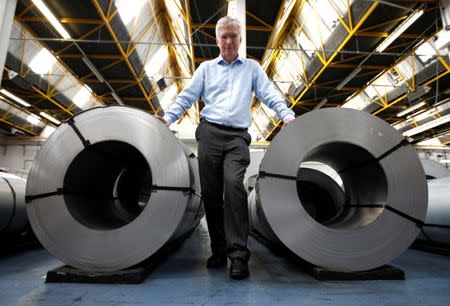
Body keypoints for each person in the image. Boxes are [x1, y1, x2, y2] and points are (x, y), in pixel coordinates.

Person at [157, 16, 295, 280]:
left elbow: (269, 93)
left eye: (233, 36)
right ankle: (218, 249)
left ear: (240, 39)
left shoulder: (252, 68)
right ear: (217, 40)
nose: (229, 41)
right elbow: (187, 96)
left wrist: (286, 115)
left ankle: (238, 256)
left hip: (237, 138)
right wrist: (168, 117)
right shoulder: (206, 69)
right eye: (224, 37)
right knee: (210, 194)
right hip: (209, 134)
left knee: (233, 186)